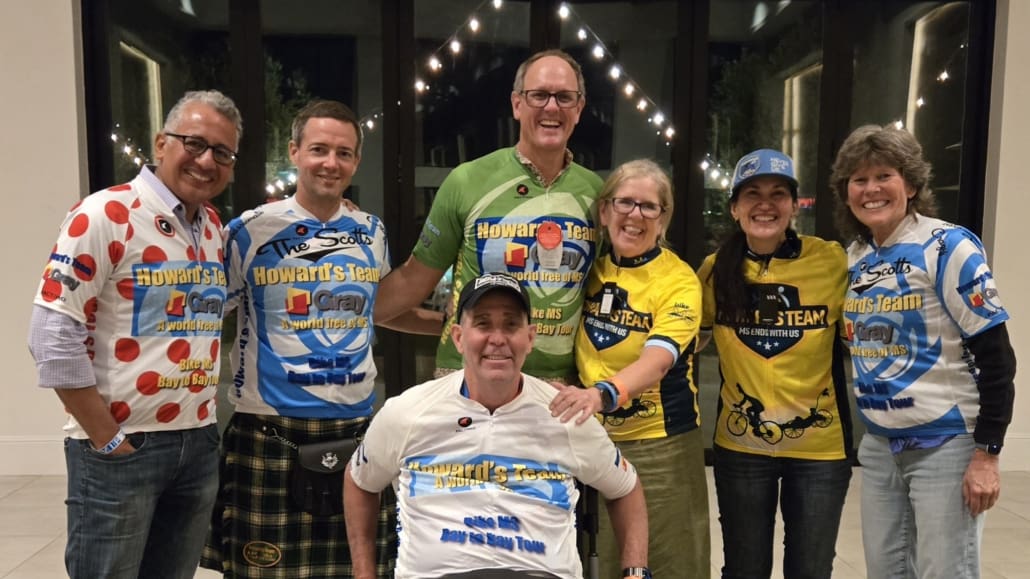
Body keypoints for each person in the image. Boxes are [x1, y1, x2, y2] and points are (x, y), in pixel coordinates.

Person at [201, 100, 441, 578]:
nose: (331, 163)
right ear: (294, 152)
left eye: (343, 153)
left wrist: (447, 326)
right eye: (319, 150)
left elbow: (376, 311)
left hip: (356, 428)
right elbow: (206, 313)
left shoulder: (370, 231)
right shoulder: (247, 231)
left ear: (356, 161)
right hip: (268, 430)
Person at [27, 90, 240, 578]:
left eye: (222, 152)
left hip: (196, 442)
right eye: (194, 143)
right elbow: (51, 334)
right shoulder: (105, 214)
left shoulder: (211, 226)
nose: (207, 161)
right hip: (122, 445)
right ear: (162, 143)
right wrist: (106, 439)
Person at [344, 272, 651, 579]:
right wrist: (364, 574)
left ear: (530, 338)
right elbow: (360, 480)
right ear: (458, 338)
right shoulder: (408, 412)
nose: (498, 338)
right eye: (483, 324)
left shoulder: (564, 414)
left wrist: (636, 573)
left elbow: (625, 487)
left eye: (511, 324)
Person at [831, 125, 1016, 579]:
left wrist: (987, 454)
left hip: (947, 444)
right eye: (859, 179)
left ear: (911, 184)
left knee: (944, 571)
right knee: (885, 571)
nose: (871, 189)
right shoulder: (855, 256)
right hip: (880, 445)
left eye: (884, 176)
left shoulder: (948, 246)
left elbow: (997, 357)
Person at [374, 49, 602, 384]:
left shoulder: (598, 193)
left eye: (564, 97)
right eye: (539, 95)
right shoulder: (466, 181)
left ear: (579, 108)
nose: (552, 107)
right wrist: (338, 314)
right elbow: (412, 281)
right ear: (517, 104)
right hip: (467, 375)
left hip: (557, 384)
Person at [549, 159, 710, 578]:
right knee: (604, 561)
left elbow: (657, 361)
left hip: (660, 446)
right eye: (624, 202)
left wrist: (600, 394)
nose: (635, 215)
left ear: (663, 219)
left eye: (649, 206)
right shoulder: (590, 270)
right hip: (592, 442)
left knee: (670, 565)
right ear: (604, 211)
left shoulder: (678, 280)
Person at [697, 149, 854, 579]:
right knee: (744, 570)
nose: (765, 204)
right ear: (734, 207)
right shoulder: (714, 270)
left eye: (777, 193)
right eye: (752, 194)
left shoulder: (831, 261)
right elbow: (690, 338)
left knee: (810, 570)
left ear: (794, 206)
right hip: (741, 448)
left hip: (820, 450)